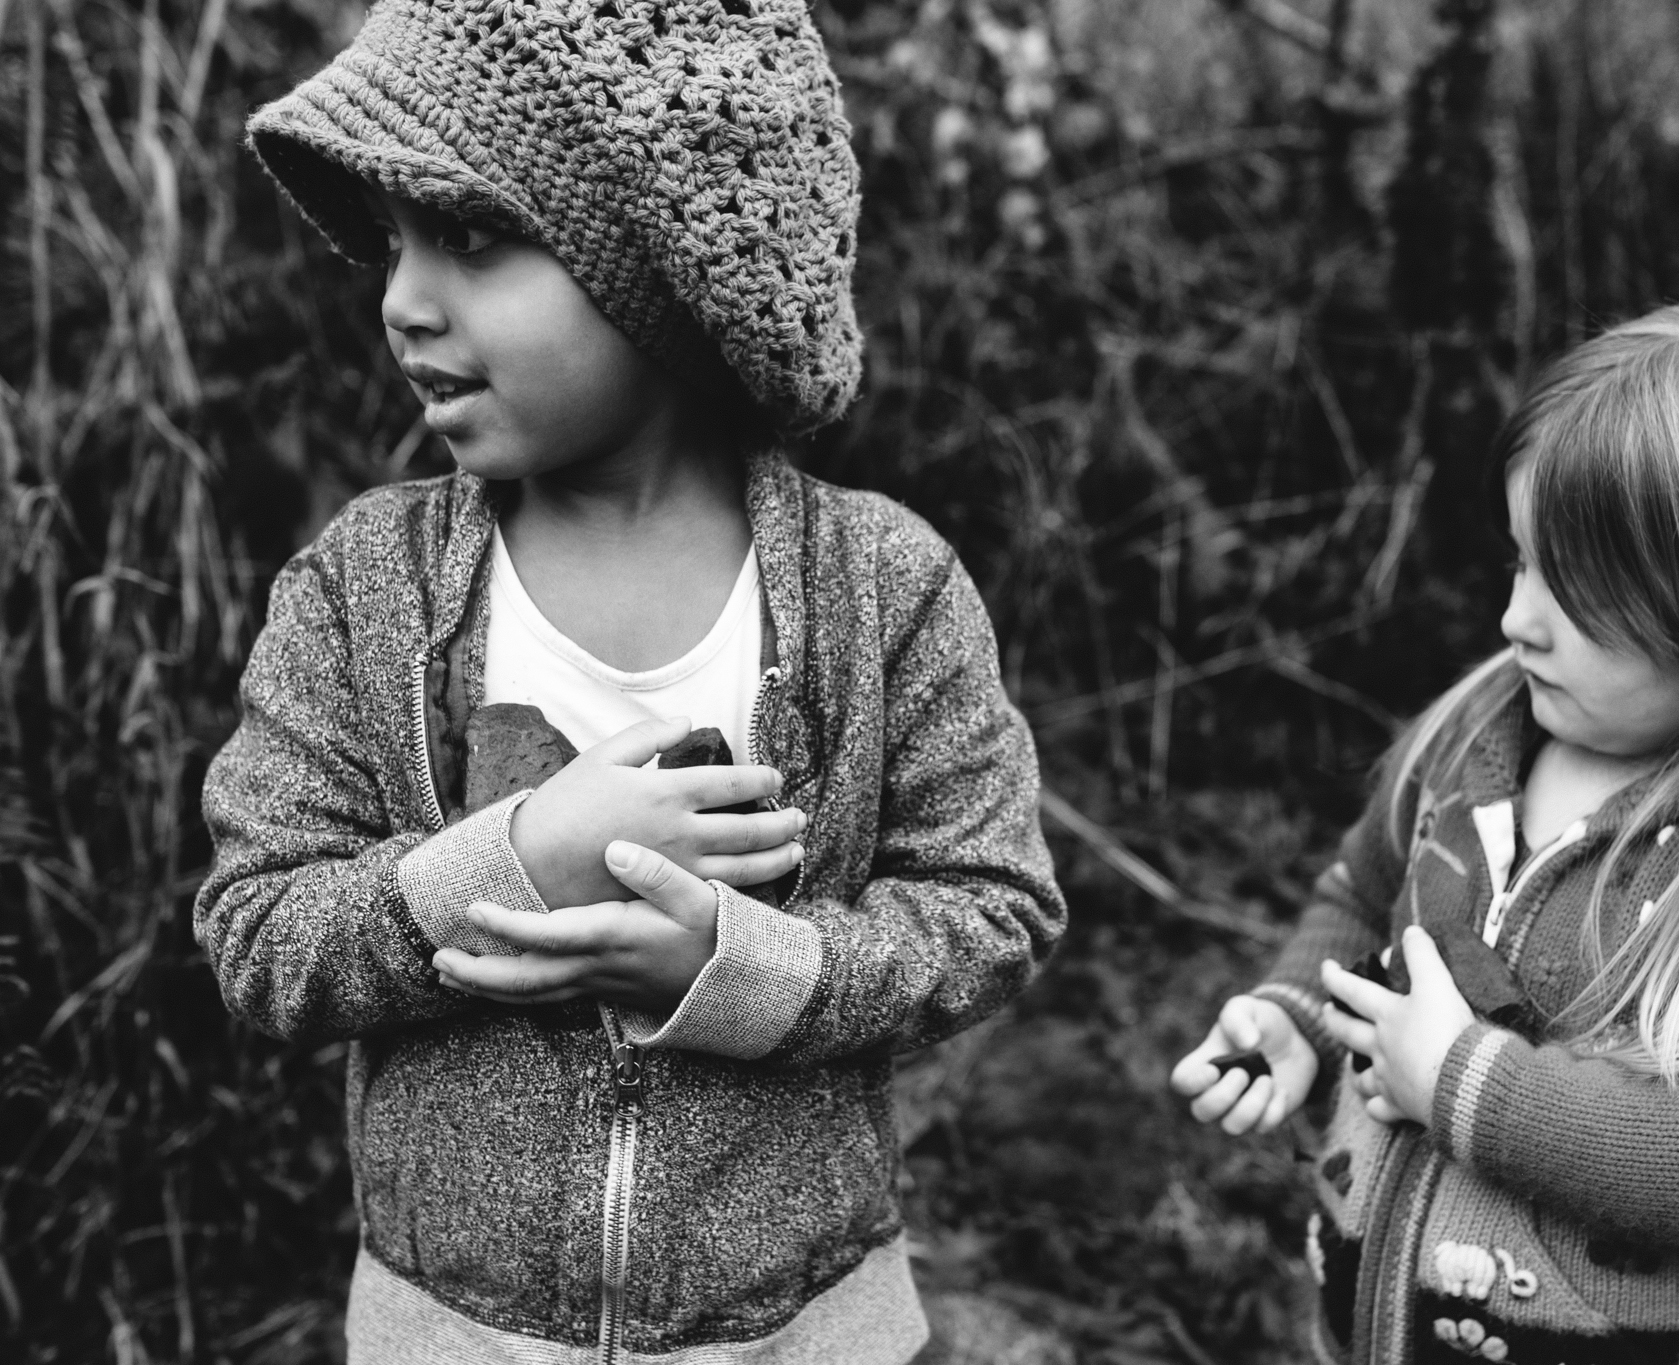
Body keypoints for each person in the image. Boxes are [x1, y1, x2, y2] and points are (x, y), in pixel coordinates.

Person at [195, 3, 1065, 1361]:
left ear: (659, 265)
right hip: (453, 1336)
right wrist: (522, 855)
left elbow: (990, 906)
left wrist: (750, 971)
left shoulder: (878, 589)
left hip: (800, 1333)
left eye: (470, 239)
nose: (402, 299)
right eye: (395, 240)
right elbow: (261, 933)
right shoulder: (365, 589)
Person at [1171, 293, 1679, 1365]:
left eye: (1576, 593)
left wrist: (1461, 1082)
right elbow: (1361, 896)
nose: (1514, 619)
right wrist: (1300, 1016)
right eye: (1518, 560)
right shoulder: (1474, 737)